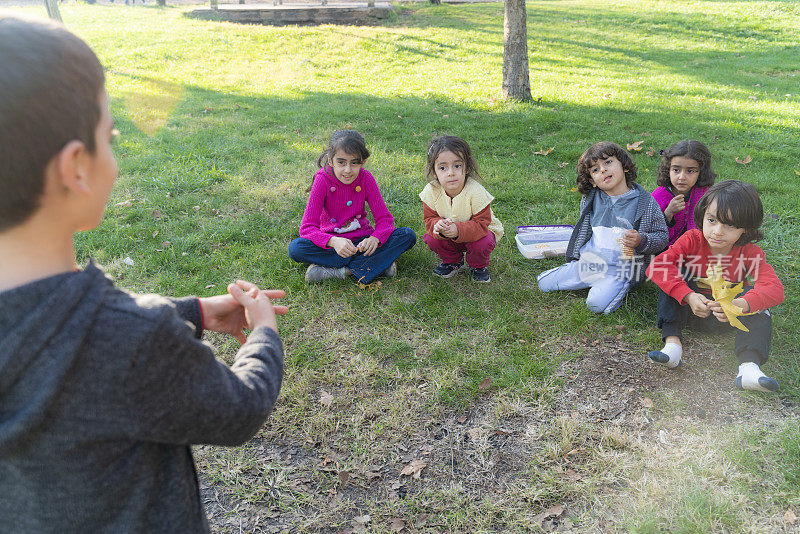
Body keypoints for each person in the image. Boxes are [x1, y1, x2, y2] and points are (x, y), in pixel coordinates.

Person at [0, 15, 286, 532]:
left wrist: (191, 312)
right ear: (75, 168)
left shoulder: (117, 330)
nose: (115, 154)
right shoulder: (132, 341)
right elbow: (238, 408)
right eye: (108, 138)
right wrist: (263, 333)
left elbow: (57, 315)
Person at [646, 180, 784, 392]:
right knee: (674, 276)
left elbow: (774, 288)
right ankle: (672, 346)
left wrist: (743, 304)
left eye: (729, 225)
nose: (717, 231)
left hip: (729, 318)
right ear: (702, 216)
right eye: (711, 220)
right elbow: (657, 266)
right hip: (690, 311)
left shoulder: (749, 252)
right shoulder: (692, 239)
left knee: (759, 301)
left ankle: (749, 367)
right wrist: (688, 296)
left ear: (745, 229)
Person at [537, 141, 668, 313]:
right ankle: (585, 277)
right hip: (590, 263)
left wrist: (641, 240)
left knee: (595, 305)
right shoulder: (591, 199)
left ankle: (620, 285)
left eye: (608, 162)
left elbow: (662, 236)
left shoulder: (646, 202)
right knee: (543, 283)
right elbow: (585, 231)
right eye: (595, 170)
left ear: (624, 166)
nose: (603, 170)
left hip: (620, 269)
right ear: (592, 181)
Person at [288, 129, 416, 284]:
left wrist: (375, 238)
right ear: (330, 160)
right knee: (296, 248)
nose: (347, 170)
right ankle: (378, 265)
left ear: (363, 161)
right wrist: (333, 242)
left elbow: (384, 219)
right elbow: (307, 228)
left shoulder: (366, 178)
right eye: (341, 162)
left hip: (362, 242)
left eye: (354, 162)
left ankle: (342, 272)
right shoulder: (322, 180)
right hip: (333, 246)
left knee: (407, 235)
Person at [419, 135, 503, 283]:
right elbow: (429, 219)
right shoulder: (431, 191)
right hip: (449, 235)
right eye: (443, 168)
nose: (450, 173)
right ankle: (453, 262)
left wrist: (458, 230)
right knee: (432, 237)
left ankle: (478, 266)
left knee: (483, 242)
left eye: (457, 166)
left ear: (467, 167)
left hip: (479, 233)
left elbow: (482, 223)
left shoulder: (476, 192)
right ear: (434, 171)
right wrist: (438, 225)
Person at [652, 140, 716, 245]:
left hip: (697, 247)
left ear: (701, 172)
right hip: (665, 249)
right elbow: (651, 232)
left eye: (690, 171)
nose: (682, 177)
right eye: (676, 170)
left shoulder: (705, 194)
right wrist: (668, 213)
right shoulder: (659, 196)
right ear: (668, 169)